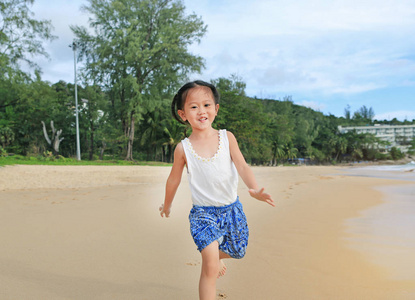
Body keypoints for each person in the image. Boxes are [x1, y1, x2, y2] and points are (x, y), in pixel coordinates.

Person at [160, 80, 274, 300]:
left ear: (215, 109)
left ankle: (215, 255)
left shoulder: (226, 137)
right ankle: (211, 258)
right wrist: (167, 204)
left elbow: (242, 165)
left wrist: (254, 189)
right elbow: (173, 180)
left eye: (206, 105)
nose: (201, 111)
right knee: (210, 266)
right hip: (203, 214)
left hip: (232, 209)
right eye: (194, 107)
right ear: (183, 115)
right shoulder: (183, 148)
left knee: (238, 250)